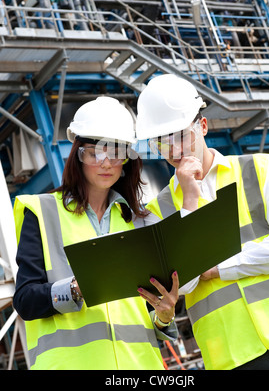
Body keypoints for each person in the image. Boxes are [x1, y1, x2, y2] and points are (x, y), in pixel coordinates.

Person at [136, 74, 269, 370]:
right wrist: (189, 200)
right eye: (161, 141)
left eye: (181, 135)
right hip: (230, 354)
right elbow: (182, 284)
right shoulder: (157, 209)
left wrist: (217, 268)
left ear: (203, 126)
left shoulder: (256, 168)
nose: (173, 150)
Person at [13, 96, 179, 370]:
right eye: (95, 153)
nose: (106, 164)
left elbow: (145, 314)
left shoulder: (138, 221)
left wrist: (164, 315)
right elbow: (26, 301)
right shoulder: (42, 212)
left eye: (117, 153)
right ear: (77, 154)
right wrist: (77, 289)